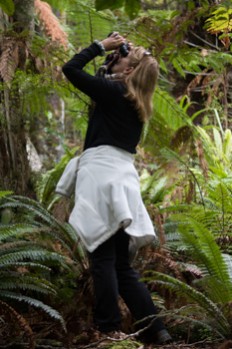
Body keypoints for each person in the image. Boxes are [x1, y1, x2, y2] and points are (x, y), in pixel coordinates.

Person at [61, 32, 172, 345]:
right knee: (120, 264)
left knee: (103, 258)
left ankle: (108, 328)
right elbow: (97, 79)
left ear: (129, 71)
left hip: (101, 178)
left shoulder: (114, 91)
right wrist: (112, 60)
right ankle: (157, 329)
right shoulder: (133, 102)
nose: (118, 52)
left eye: (125, 53)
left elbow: (70, 69)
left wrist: (99, 47)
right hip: (123, 180)